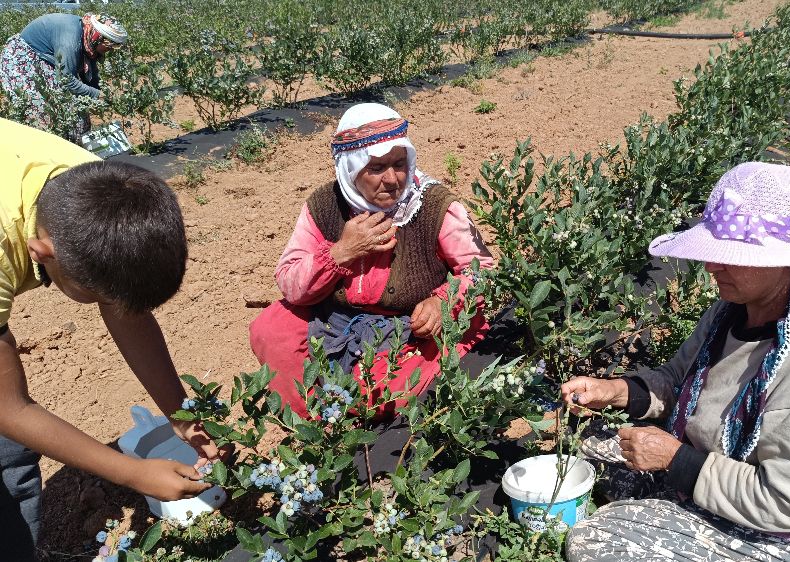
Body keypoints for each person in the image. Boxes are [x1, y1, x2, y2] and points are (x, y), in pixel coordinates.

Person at [561, 162, 790, 562]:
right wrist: (615, 391)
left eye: (730, 254)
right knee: (588, 451)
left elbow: (786, 502)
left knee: (597, 543)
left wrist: (677, 460)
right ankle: (668, 506)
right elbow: (681, 380)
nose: (712, 266)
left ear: (784, 259)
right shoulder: (740, 305)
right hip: (726, 464)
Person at [0, 118, 225, 558]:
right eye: (99, 295)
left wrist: (181, 415)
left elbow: (126, 312)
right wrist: (133, 474)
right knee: (9, 460)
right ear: (41, 253)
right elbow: (8, 407)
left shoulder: (94, 189)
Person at [250, 103, 493, 419]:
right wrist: (341, 252)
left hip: (407, 331)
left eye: (399, 163)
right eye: (377, 168)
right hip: (336, 322)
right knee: (272, 329)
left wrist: (440, 304)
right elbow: (290, 281)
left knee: (386, 387)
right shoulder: (326, 206)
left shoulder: (432, 206)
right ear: (351, 169)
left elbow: (482, 270)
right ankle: (312, 424)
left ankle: (351, 405)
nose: (393, 179)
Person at [0, 12, 127, 141]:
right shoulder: (70, 41)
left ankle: (77, 145)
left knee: (75, 110)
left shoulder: (88, 38)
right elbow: (67, 81)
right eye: (110, 45)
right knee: (43, 108)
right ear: (98, 37)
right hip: (24, 59)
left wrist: (101, 92)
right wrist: (97, 95)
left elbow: (91, 77)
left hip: (47, 59)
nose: (110, 50)